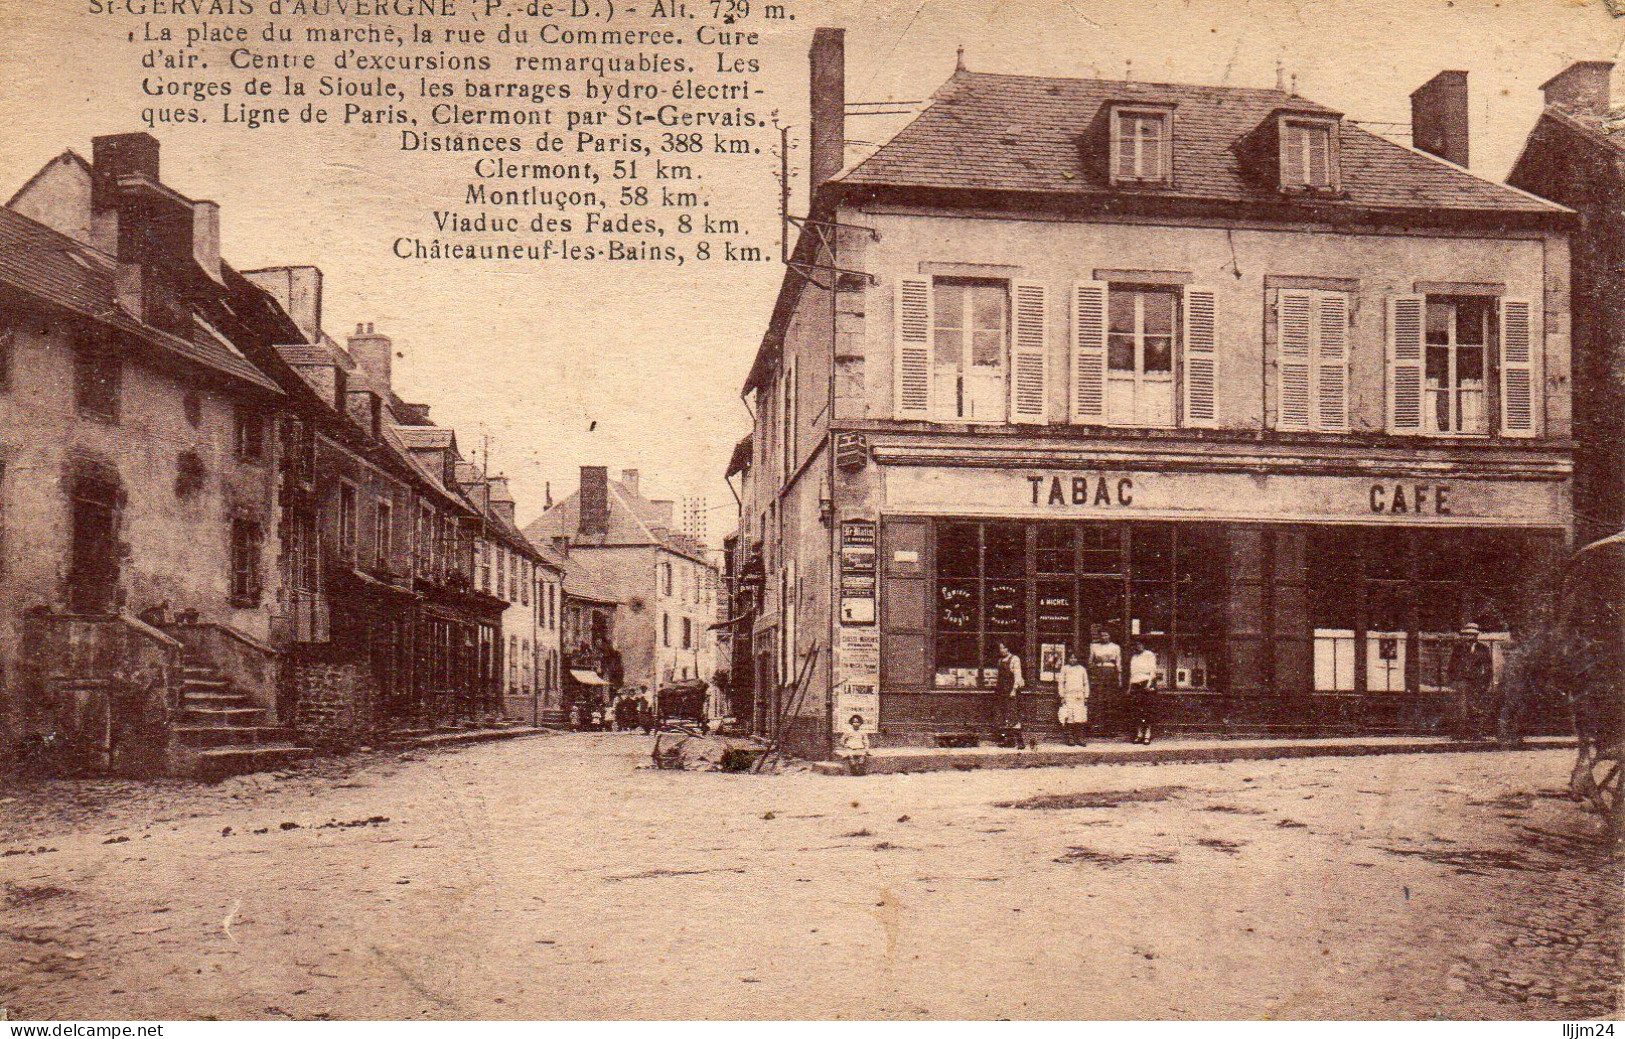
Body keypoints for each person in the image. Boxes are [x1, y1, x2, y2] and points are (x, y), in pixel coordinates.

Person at [1447, 622, 1495, 740]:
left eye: (1473, 635)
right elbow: (1451, 666)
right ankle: (1459, 733)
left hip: (1477, 682)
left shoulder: (1483, 649)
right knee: (1461, 707)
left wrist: (1485, 683)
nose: (1470, 637)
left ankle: (1475, 734)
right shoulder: (1458, 649)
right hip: (1462, 682)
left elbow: (1488, 668)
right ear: (1463, 635)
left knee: (1476, 707)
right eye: (1467, 634)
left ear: (1477, 635)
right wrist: (1455, 680)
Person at [1088, 627, 1123, 736]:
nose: (1104, 637)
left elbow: (1118, 663)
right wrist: (1094, 671)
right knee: (1098, 699)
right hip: (1098, 673)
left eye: (1106, 635)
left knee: (1110, 700)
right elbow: (1090, 661)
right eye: (1102, 635)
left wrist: (1119, 679)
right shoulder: (1094, 646)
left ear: (1110, 636)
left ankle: (1111, 728)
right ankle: (1098, 727)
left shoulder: (1115, 647)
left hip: (1111, 673)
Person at [994, 641, 1026, 748]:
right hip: (1001, 691)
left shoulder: (1014, 659)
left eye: (1003, 648)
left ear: (1008, 648)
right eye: (1000, 648)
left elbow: (1018, 675)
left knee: (1013, 715)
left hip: (1011, 691)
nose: (1001, 650)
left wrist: (1014, 690)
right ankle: (1009, 740)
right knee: (1004, 715)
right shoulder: (1000, 661)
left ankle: (1020, 741)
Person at [1127, 640, 1160, 745]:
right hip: (1135, 684)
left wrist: (1149, 684)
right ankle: (1139, 734)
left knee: (1147, 709)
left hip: (1146, 683)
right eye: (1136, 645)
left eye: (1140, 644)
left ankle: (1147, 734)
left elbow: (1153, 670)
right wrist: (1129, 687)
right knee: (1137, 710)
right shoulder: (1134, 657)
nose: (1138, 647)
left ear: (1144, 645)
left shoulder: (1149, 655)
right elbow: (1132, 673)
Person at [1057, 647, 1091, 746]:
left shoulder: (1082, 669)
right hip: (1068, 695)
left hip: (1079, 695)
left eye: (1075, 658)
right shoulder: (1065, 668)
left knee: (1079, 716)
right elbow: (1061, 683)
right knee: (1070, 716)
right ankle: (1070, 738)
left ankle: (1079, 738)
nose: (1073, 660)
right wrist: (1062, 696)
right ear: (1068, 659)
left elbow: (1086, 683)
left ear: (1077, 659)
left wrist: (1086, 696)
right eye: (1071, 658)